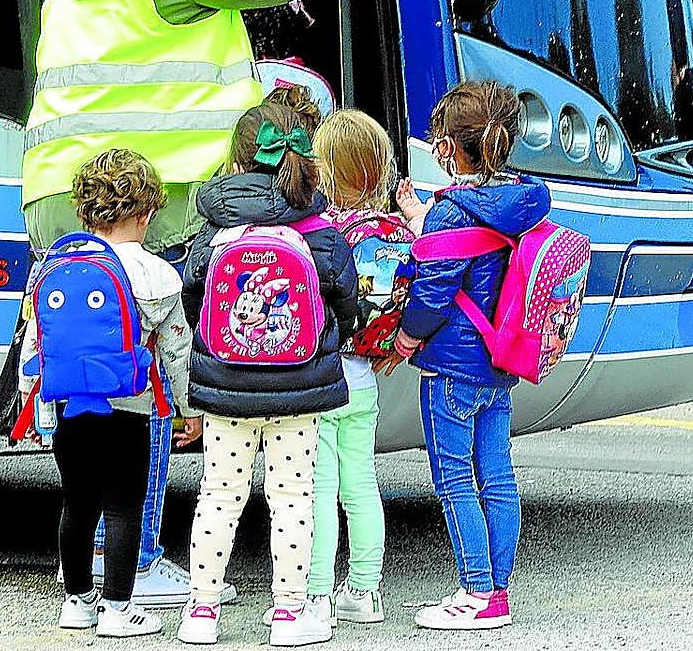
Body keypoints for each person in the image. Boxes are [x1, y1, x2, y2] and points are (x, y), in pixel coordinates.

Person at [18, 0, 330, 606]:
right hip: (150, 206)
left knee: (89, 384)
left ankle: (90, 561)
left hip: (59, 196)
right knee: (151, 381)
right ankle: (141, 554)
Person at [176, 102, 358, 646]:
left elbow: (193, 297)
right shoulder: (318, 228)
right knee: (292, 498)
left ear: (236, 160)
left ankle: (201, 613)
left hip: (227, 386)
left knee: (219, 495)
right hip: (298, 387)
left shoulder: (215, 228)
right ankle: (287, 614)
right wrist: (334, 337)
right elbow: (345, 299)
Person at [19, 149, 203, 638]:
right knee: (125, 506)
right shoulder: (157, 274)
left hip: (67, 406)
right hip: (130, 408)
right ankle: (118, 610)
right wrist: (189, 411)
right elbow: (177, 351)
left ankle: (76, 603)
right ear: (147, 213)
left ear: (84, 210)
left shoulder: (53, 267)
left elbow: (34, 342)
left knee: (76, 503)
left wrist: (34, 406)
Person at [388, 81, 551, 630]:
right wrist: (421, 219)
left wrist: (408, 337)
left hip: (452, 367)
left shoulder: (452, 212)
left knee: (456, 480)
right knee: (498, 476)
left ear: (449, 150)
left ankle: (475, 592)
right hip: (500, 362)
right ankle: (498, 591)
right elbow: (471, 256)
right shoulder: (523, 200)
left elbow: (434, 290)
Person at [303, 110, 401, 628]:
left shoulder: (323, 234)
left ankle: (316, 593)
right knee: (361, 484)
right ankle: (364, 591)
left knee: (317, 488)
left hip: (321, 377)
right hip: (366, 374)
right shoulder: (395, 230)